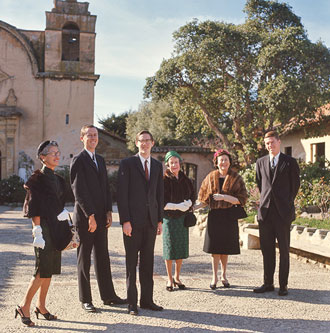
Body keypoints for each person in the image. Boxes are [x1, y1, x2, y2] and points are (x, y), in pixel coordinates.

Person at [70, 125, 126, 313]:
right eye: (89, 135)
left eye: (95, 135)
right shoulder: (78, 160)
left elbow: (105, 188)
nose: (93, 138)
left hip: (102, 217)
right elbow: (79, 191)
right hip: (86, 218)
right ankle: (85, 299)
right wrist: (91, 216)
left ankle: (109, 296)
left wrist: (109, 211)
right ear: (82, 138)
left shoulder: (100, 160)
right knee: (84, 259)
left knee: (103, 257)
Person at [16, 140, 66, 327]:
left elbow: (59, 206)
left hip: (55, 228)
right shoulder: (36, 179)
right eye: (52, 152)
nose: (56, 155)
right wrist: (36, 230)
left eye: (57, 151)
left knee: (49, 270)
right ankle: (24, 305)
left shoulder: (59, 179)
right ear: (42, 157)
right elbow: (33, 206)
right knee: (40, 270)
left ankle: (41, 306)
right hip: (43, 228)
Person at [117, 130, 164, 315]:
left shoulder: (158, 166)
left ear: (152, 143)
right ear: (136, 143)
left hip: (151, 222)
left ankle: (147, 300)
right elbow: (122, 195)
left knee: (148, 263)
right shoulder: (127, 164)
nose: (144, 144)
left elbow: (159, 194)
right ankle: (132, 303)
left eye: (147, 141)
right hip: (132, 223)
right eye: (141, 141)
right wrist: (125, 221)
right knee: (131, 264)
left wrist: (159, 220)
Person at [253, 131, 300, 296]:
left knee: (284, 251)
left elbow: (295, 186)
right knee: (267, 250)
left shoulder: (290, 162)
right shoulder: (260, 162)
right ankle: (268, 283)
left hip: (283, 213)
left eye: (272, 142)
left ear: (279, 142)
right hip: (265, 213)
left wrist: (285, 202)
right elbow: (260, 184)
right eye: (267, 143)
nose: (269, 146)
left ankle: (283, 285)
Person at [197, 149, 248, 290]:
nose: (223, 162)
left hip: (229, 216)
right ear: (216, 162)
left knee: (225, 248)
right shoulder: (210, 177)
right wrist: (192, 208)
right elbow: (204, 199)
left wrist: (224, 197)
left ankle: (224, 275)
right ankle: (214, 276)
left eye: (226, 159)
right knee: (215, 248)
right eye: (221, 160)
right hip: (215, 216)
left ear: (229, 162)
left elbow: (242, 199)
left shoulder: (236, 177)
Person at [162, 151, 195, 291]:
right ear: (167, 165)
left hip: (182, 219)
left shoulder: (186, 179)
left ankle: (177, 277)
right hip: (169, 218)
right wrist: (177, 207)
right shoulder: (163, 180)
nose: (174, 165)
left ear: (180, 164)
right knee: (169, 249)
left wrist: (188, 204)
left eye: (176, 162)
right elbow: (161, 201)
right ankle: (169, 279)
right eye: (171, 163)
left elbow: (192, 195)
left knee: (180, 248)